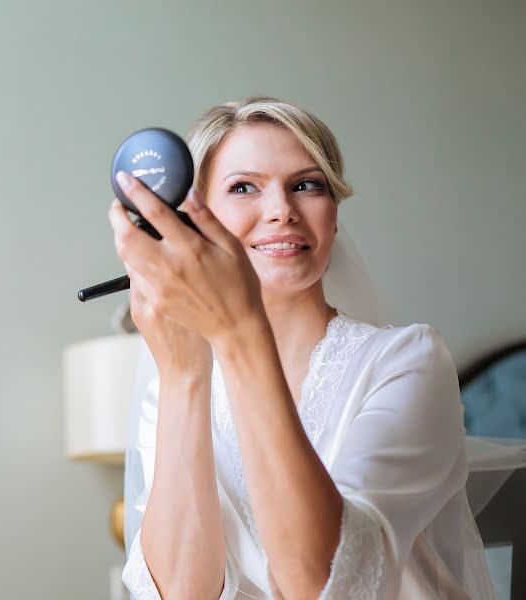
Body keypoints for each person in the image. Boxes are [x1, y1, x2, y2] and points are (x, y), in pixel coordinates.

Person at [109, 96, 495, 599]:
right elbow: (182, 592)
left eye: (306, 185)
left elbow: (324, 585)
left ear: (333, 216)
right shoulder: (173, 386)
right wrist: (184, 377)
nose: (282, 211)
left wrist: (238, 334)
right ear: (191, 220)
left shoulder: (407, 363)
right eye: (243, 187)